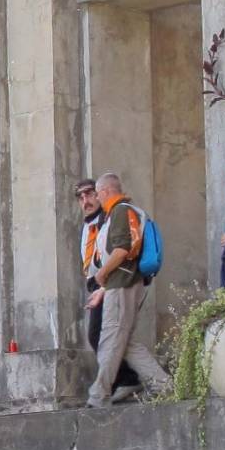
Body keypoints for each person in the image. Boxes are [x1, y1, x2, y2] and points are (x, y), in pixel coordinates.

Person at [85, 173, 170, 408]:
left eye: (97, 194)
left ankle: (99, 394)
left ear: (104, 192)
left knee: (111, 338)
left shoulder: (121, 211)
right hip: (123, 284)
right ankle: (163, 384)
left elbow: (122, 250)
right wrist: (103, 288)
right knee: (125, 341)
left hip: (122, 284)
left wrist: (102, 275)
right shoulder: (123, 212)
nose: (97, 199)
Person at [76, 180, 139, 398]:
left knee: (99, 336)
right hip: (97, 282)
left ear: (100, 194)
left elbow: (118, 251)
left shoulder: (111, 217)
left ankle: (121, 381)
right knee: (114, 338)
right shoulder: (86, 227)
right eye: (81, 197)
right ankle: (127, 381)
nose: (86, 201)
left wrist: (103, 284)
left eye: (90, 194)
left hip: (111, 281)